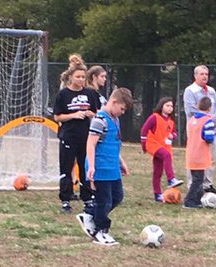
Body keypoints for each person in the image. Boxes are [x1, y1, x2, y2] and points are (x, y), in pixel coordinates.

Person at [79, 87, 133, 246]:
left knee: (117, 197)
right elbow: (91, 144)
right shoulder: (99, 120)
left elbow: (114, 144)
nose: (122, 112)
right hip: (100, 168)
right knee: (105, 201)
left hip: (112, 168)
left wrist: (121, 162)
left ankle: (89, 214)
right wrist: (91, 167)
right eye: (122, 109)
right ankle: (101, 231)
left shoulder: (115, 120)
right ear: (114, 102)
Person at [52, 62, 100, 212]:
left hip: (85, 137)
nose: (80, 80)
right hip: (68, 136)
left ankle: (87, 198)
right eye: (77, 77)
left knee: (85, 168)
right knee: (66, 168)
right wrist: (74, 115)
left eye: (83, 77)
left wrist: (91, 114)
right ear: (71, 77)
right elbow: (57, 117)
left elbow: (97, 112)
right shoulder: (63, 94)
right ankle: (65, 199)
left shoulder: (90, 93)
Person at [183, 64, 216, 192]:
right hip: (197, 131)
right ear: (195, 76)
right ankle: (193, 186)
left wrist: (213, 118)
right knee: (195, 159)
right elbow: (191, 109)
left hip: (211, 129)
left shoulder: (211, 90)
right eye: (202, 74)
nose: (204, 76)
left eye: (206, 74)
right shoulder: (190, 90)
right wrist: (206, 118)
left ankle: (207, 185)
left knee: (210, 158)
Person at [140, 98, 182, 201]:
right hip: (153, 144)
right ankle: (171, 179)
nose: (170, 108)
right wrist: (144, 144)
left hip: (163, 146)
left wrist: (173, 136)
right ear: (161, 106)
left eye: (171, 106)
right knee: (166, 155)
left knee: (157, 171)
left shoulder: (171, 121)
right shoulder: (154, 117)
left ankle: (157, 194)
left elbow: (174, 133)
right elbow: (144, 130)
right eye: (167, 105)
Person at [183, 95, 216, 208]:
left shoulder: (191, 120)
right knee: (198, 180)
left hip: (190, 153)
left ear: (198, 106)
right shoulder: (208, 121)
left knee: (196, 178)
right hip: (200, 154)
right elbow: (209, 138)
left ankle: (198, 200)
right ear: (209, 108)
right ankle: (189, 201)